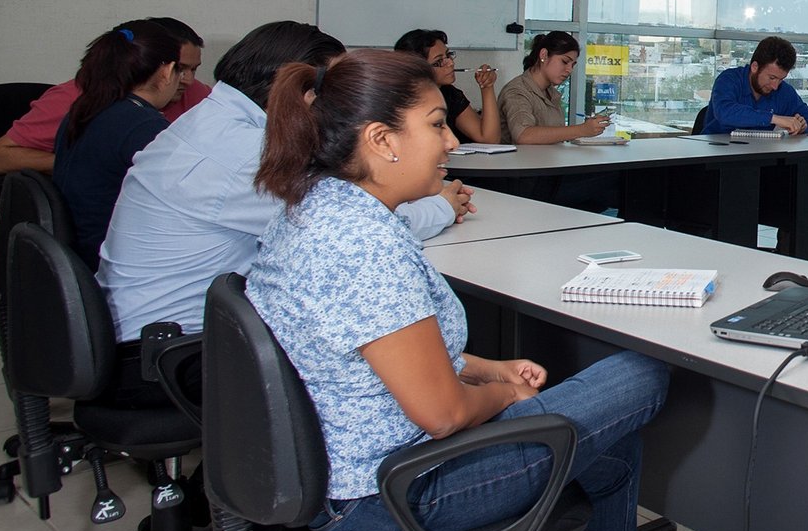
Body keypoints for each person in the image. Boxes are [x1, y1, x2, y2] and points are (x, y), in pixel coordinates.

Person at [247, 49, 682, 531]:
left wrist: (488, 368)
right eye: (434, 124)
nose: (452, 137)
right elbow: (444, 413)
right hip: (393, 492)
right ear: (381, 140)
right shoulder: (364, 244)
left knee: (612, 458)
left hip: (334, 476)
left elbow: (379, 350)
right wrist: (504, 398)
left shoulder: (316, 210)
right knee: (644, 373)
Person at [98, 21, 470, 360]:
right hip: (176, 356)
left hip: (153, 338)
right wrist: (441, 207)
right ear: (304, 91)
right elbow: (350, 225)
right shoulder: (247, 153)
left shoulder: (210, 122)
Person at [0, 16, 210, 177]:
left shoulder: (193, 92)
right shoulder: (77, 99)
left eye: (194, 69)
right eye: (179, 69)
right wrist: (87, 165)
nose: (188, 80)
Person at [50, 21, 184, 267]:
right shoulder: (142, 126)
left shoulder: (88, 109)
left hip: (79, 252)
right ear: (166, 72)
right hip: (112, 259)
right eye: (181, 71)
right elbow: (187, 199)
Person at [497, 31, 610, 144]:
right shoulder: (516, 91)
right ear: (544, 55)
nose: (569, 70)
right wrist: (581, 130)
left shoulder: (551, 93)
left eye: (572, 65)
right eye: (565, 62)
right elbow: (523, 135)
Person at [394, 28, 501, 143]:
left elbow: (490, 139)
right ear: (417, 69)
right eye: (439, 62)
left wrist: (487, 86)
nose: (451, 63)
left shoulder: (449, 94)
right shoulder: (398, 100)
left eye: (448, 55)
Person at [701, 36, 808, 135]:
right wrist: (774, 119)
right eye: (772, 78)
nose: (775, 86)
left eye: (781, 79)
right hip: (717, 155)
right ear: (755, 67)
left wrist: (803, 124)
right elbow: (725, 112)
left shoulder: (784, 90)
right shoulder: (729, 79)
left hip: (762, 157)